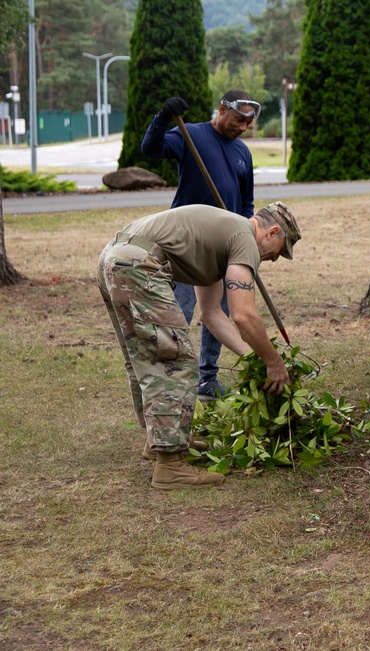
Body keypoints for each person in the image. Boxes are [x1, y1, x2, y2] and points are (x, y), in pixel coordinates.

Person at [97, 201, 301, 490]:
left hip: (115, 257)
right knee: (173, 360)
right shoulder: (244, 238)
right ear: (273, 232)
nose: (276, 258)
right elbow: (243, 315)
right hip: (137, 263)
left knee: (147, 356)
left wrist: (253, 359)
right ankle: (169, 467)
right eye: (281, 249)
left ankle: (160, 441)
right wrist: (273, 362)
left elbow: (211, 314)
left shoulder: (225, 235)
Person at [141, 90, 260, 400]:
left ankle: (207, 379)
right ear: (221, 109)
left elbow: (246, 202)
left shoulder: (242, 152)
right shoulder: (190, 134)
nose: (242, 128)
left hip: (226, 246)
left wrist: (245, 233)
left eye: (247, 123)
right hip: (184, 246)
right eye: (238, 120)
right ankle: (171, 380)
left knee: (218, 312)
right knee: (179, 312)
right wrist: (163, 117)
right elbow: (150, 148)